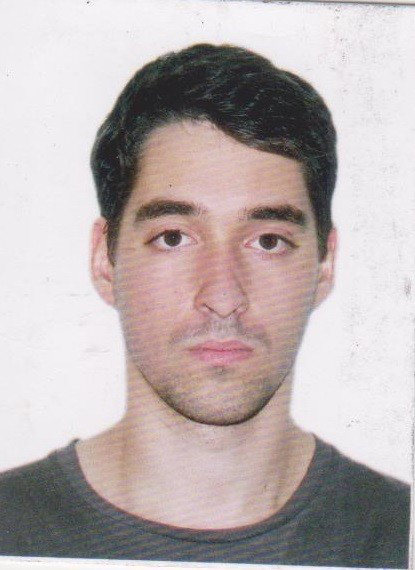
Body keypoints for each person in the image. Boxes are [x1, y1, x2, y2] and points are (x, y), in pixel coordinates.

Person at [0, 44, 410, 567]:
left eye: (268, 241)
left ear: (324, 264)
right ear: (105, 260)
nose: (222, 297)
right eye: (173, 237)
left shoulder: (397, 536)